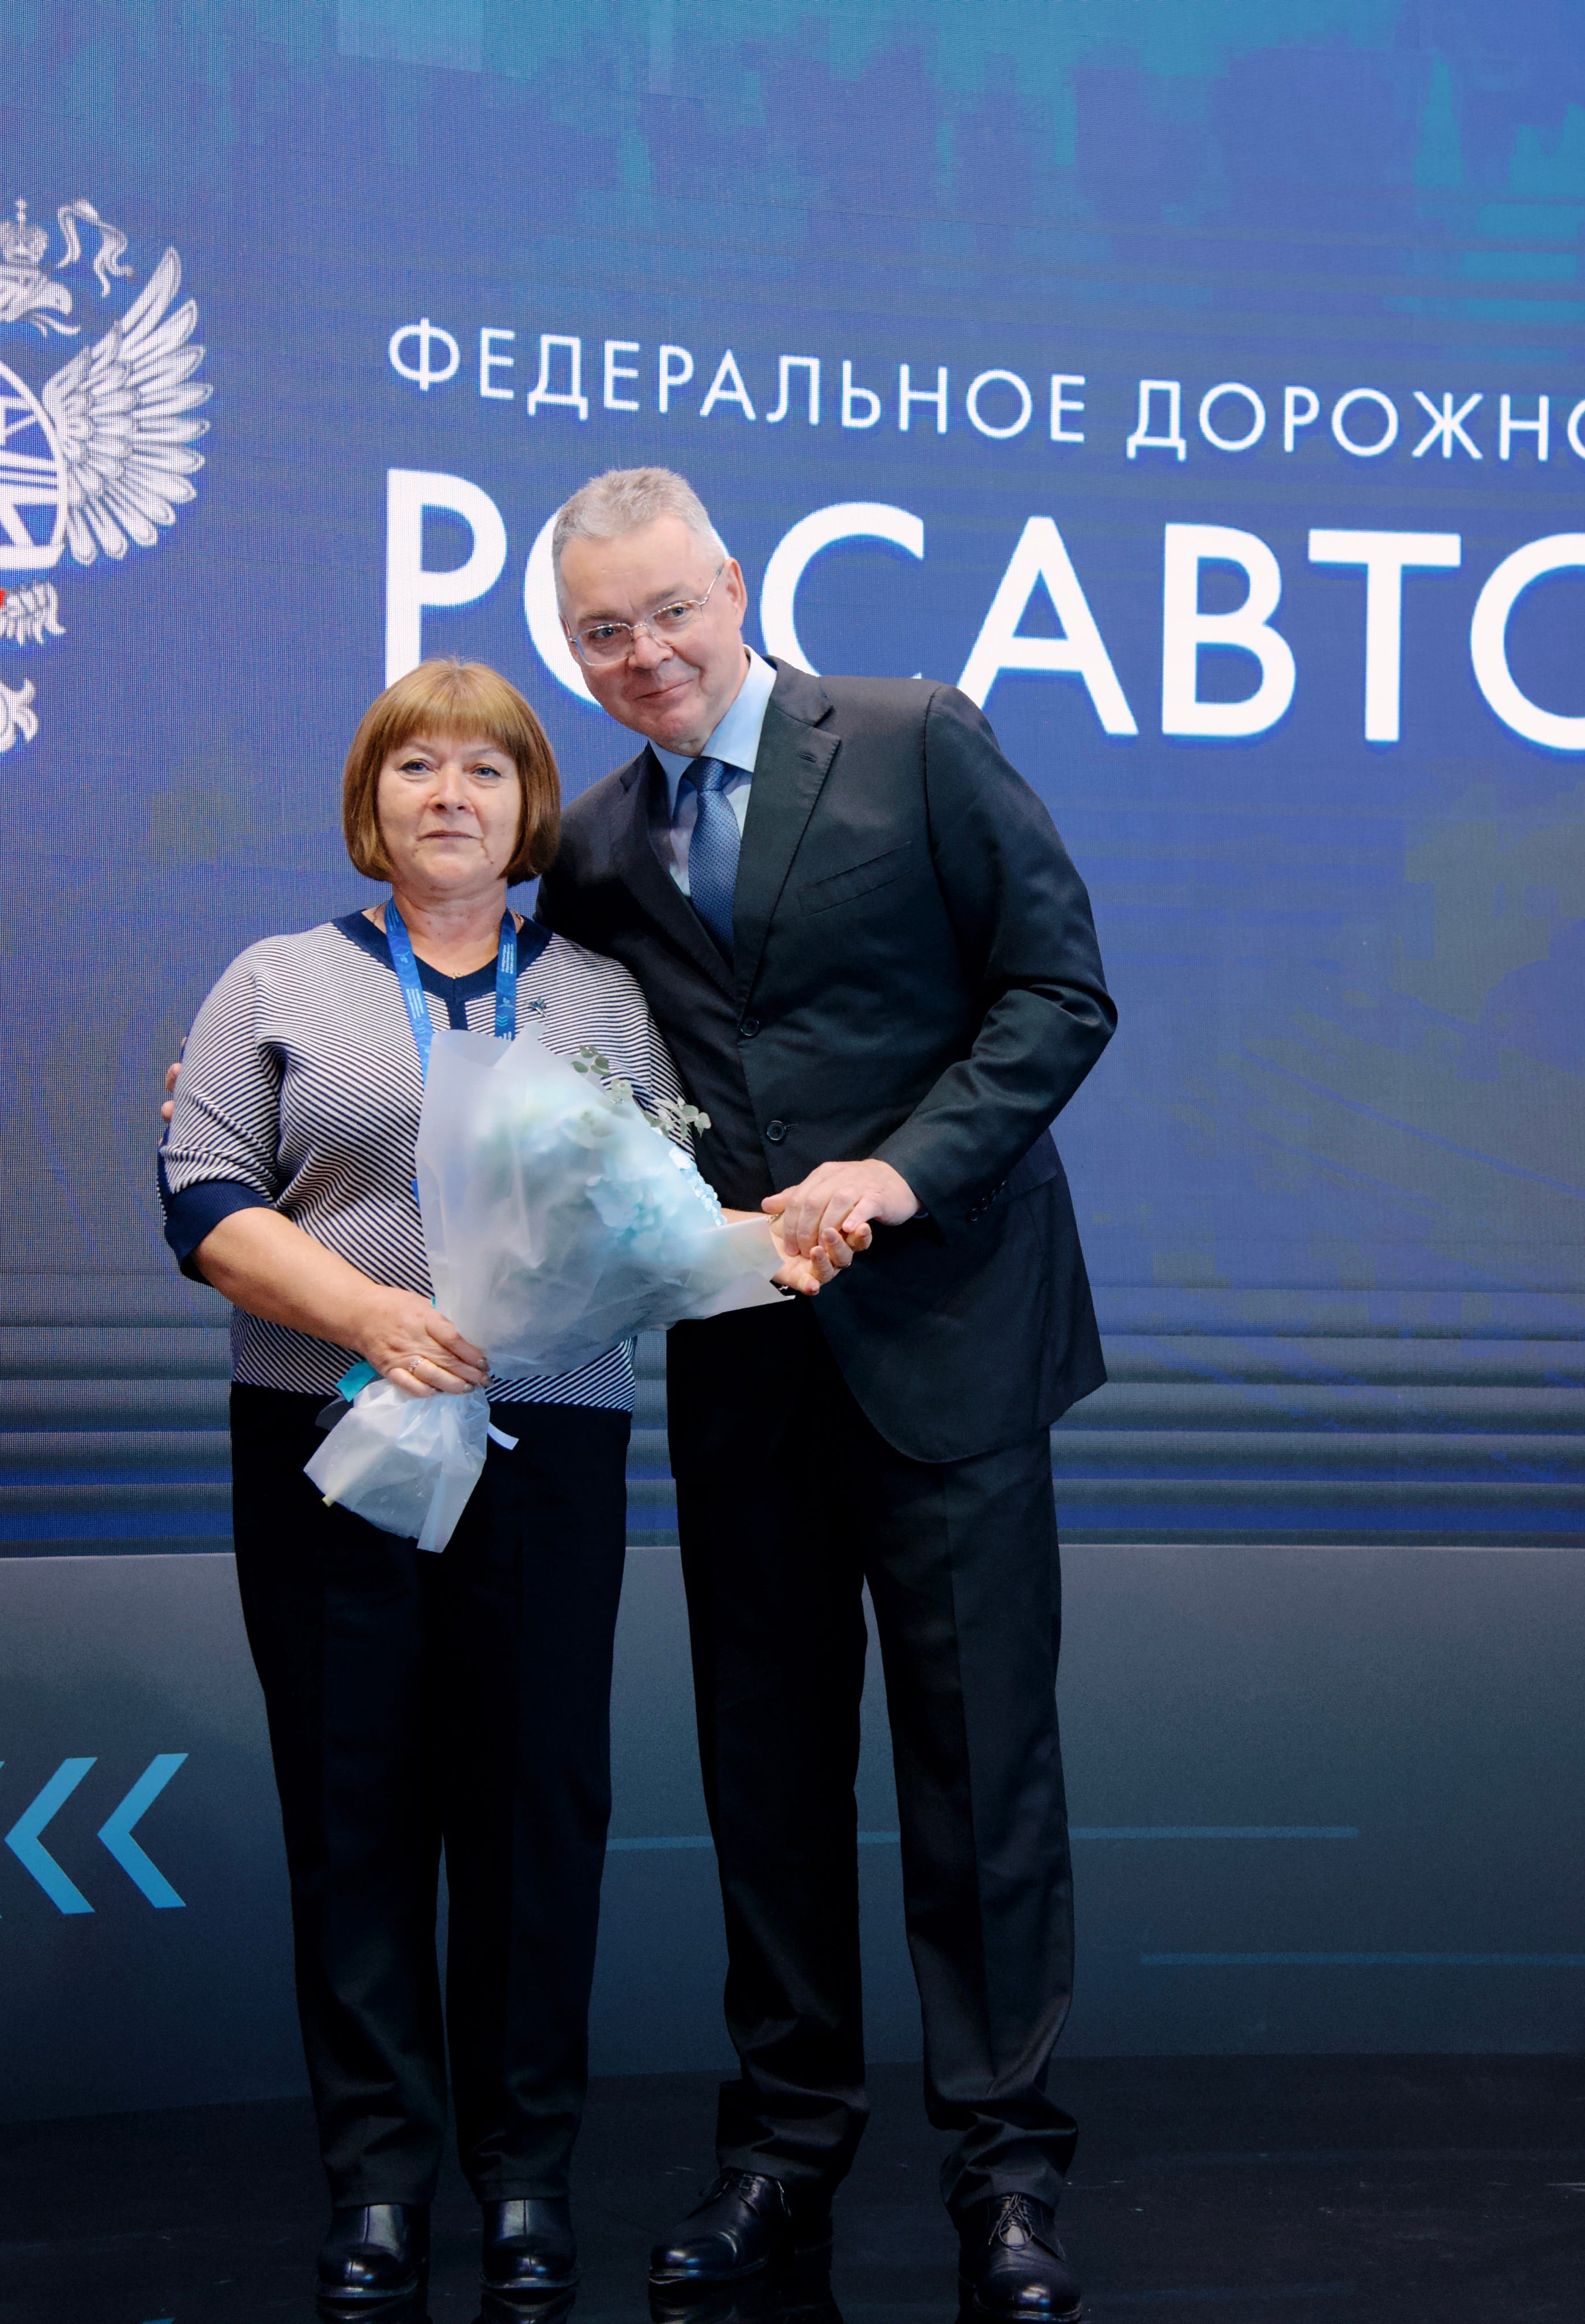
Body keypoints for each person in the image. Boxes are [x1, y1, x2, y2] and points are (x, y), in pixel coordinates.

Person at [156, 657, 841, 2313]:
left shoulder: (599, 994)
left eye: (485, 770)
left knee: (537, 1813)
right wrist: (374, 1318)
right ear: (369, 800)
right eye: (416, 768)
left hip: (547, 1447)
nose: (450, 795)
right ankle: (379, 2185)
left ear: (532, 807)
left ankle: (526, 2177)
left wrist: (784, 1239)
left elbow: (661, 1213)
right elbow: (204, 1203)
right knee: (357, 1811)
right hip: (327, 1438)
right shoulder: (275, 980)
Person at [533, 467, 1115, 2322]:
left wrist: (901, 1173)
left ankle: (1007, 2171)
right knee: (766, 1781)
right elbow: (531, 1055)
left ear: (734, 584)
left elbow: (1056, 994)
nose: (644, 654)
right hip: (745, 1373)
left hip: (953, 1341)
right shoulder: (595, 845)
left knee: (981, 1775)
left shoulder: (919, 738)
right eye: (602, 633)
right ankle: (784, 2147)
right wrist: (287, 1084)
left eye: (667, 611)